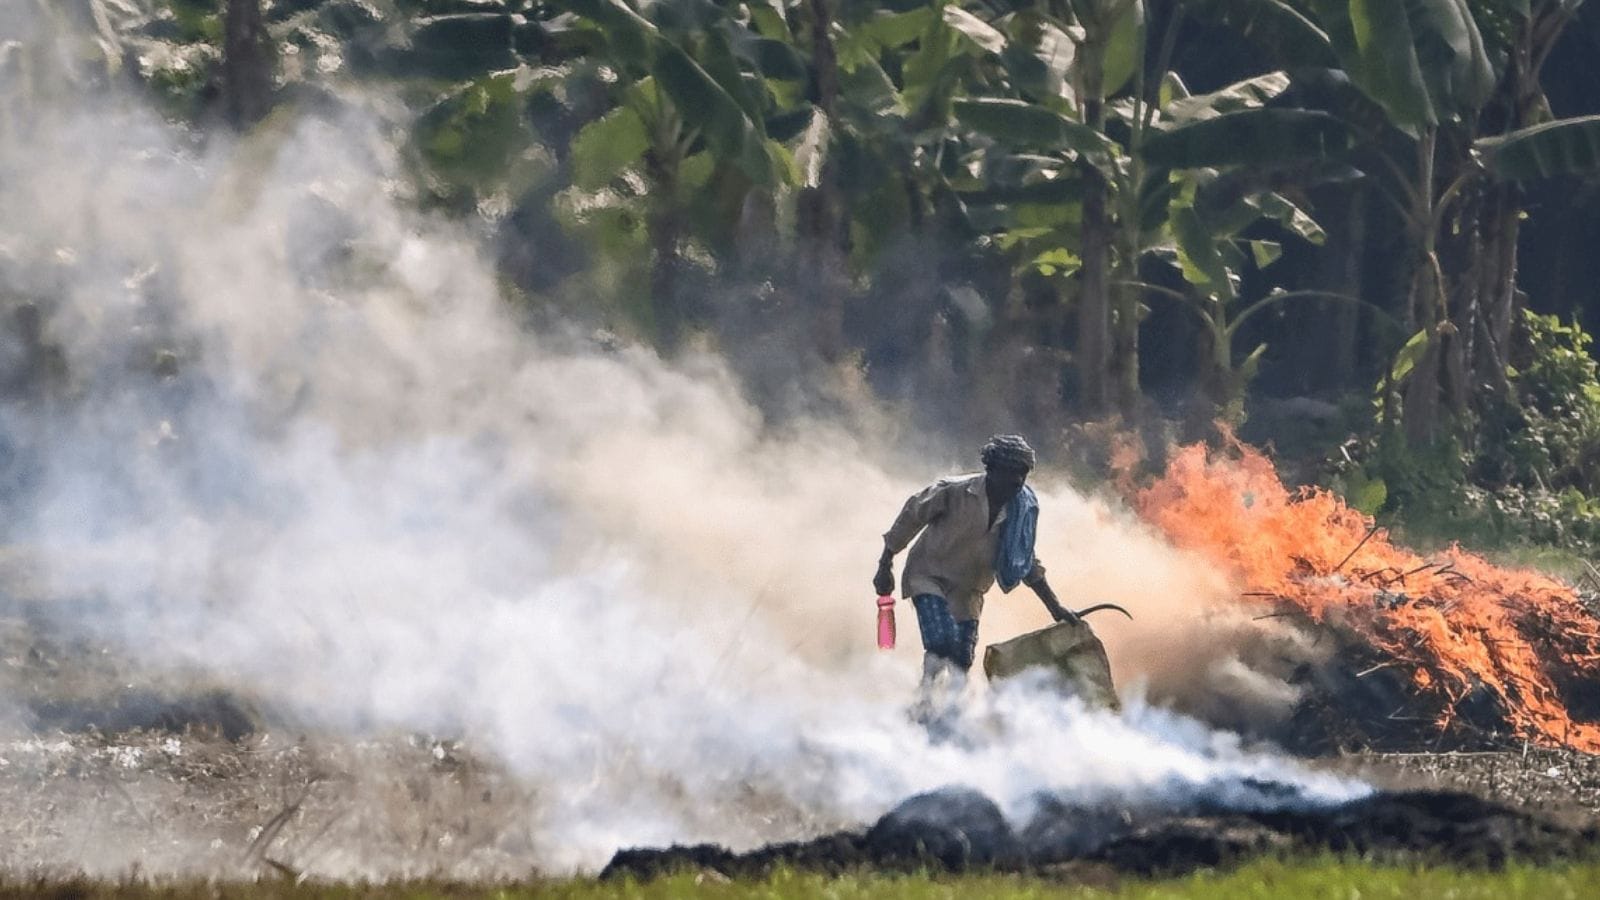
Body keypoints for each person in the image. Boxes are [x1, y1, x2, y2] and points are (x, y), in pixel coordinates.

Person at [874, 434, 1077, 703]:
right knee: (940, 640)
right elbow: (913, 515)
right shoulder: (953, 491)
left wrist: (1055, 607)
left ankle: (953, 715)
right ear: (991, 469)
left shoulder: (1020, 511)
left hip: (969, 591)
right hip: (929, 576)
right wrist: (885, 563)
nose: (1017, 481)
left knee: (962, 659)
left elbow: (1025, 561)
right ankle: (923, 701)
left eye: (1022, 473)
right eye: (1010, 472)